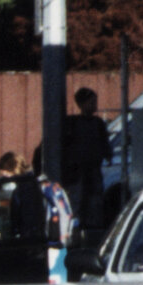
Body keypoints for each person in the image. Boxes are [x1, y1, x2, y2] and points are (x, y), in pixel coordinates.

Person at [61, 88, 112, 231]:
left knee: (95, 202)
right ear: (82, 104)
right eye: (91, 102)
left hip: (93, 169)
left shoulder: (98, 123)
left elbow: (104, 144)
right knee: (78, 200)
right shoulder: (73, 124)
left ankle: (93, 229)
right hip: (78, 171)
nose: (95, 105)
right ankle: (77, 229)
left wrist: (107, 154)